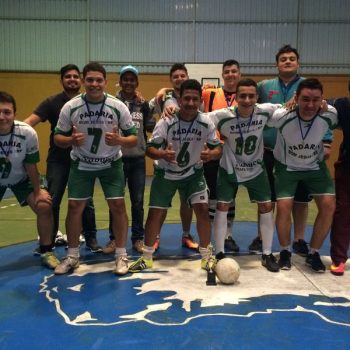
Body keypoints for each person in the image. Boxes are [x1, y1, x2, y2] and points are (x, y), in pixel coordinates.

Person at [128, 79, 222, 273]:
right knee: (155, 213)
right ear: (179, 99)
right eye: (186, 98)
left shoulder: (206, 122)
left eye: (195, 99)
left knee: (203, 210)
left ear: (199, 101)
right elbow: (150, 149)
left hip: (193, 173)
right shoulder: (166, 121)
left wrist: (210, 155)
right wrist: (162, 154)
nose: (190, 103)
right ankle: (146, 257)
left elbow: (217, 149)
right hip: (166, 173)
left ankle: (206, 257)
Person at [53, 62, 137, 275]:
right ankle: (72, 255)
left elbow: (134, 138)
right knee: (74, 207)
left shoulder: (117, 106)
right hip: (81, 163)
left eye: (98, 80)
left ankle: (120, 255)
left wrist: (119, 139)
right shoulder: (71, 107)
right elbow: (57, 138)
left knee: (118, 206)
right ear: (83, 81)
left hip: (111, 163)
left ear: (105, 82)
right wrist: (71, 139)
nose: (94, 84)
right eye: (89, 79)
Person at [249, 45, 332, 255]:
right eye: (283, 59)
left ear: (298, 62)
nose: (288, 61)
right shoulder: (264, 86)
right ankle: (262, 236)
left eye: (292, 58)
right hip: (268, 149)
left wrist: (327, 142)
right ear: (276, 63)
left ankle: (299, 238)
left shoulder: (308, 87)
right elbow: (247, 100)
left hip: (301, 154)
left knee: (301, 199)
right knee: (267, 199)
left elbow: (323, 117)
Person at [24, 64, 101, 253]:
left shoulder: (89, 101)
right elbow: (27, 123)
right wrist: (11, 134)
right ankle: (48, 241)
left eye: (76, 76)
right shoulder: (51, 102)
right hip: (58, 159)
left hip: (83, 159)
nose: (72, 79)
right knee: (53, 199)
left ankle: (91, 239)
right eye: (68, 77)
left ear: (81, 80)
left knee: (87, 201)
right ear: (61, 80)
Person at [210, 79, 280, 272]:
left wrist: (293, 103)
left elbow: (286, 109)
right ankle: (220, 253)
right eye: (243, 96)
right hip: (230, 167)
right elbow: (199, 119)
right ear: (236, 98)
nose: (247, 100)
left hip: (256, 168)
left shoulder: (265, 110)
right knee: (222, 205)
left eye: (251, 96)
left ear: (257, 97)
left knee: (266, 206)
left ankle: (266, 253)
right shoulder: (223, 115)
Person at [268, 78, 337, 272]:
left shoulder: (329, 114)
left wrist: (328, 146)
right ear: (296, 98)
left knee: (328, 205)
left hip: (314, 167)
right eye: (305, 99)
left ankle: (313, 253)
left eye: (316, 100)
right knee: (283, 207)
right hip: (287, 167)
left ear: (322, 100)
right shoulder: (282, 115)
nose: (310, 105)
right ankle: (284, 251)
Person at [0, 91, 59, 269]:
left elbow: (31, 164)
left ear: (15, 114)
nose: (2, 117)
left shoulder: (26, 133)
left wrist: (37, 190)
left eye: (6, 112)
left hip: (21, 179)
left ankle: (47, 251)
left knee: (44, 205)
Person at [103, 65, 154, 255]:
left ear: (137, 83)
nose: (129, 83)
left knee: (138, 202)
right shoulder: (111, 103)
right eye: (126, 79)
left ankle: (138, 238)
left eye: (132, 80)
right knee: (115, 202)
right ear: (120, 81)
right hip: (116, 159)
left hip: (138, 160)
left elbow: (150, 127)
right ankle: (114, 239)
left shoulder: (143, 104)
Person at [150, 63, 199, 251]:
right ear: (171, 80)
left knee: (187, 202)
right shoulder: (164, 97)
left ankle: (186, 235)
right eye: (175, 76)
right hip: (166, 160)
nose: (179, 78)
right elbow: (146, 108)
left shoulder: (195, 97)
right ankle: (155, 236)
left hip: (189, 161)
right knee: (161, 204)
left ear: (187, 77)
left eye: (182, 75)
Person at [201, 59, 241, 253]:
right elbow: (181, 91)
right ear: (222, 74)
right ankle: (210, 235)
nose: (231, 74)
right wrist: (162, 93)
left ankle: (228, 235)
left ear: (239, 74)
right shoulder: (209, 93)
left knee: (230, 196)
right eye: (227, 71)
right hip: (213, 151)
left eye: (234, 71)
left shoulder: (246, 96)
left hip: (235, 152)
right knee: (214, 195)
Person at [329, 81, 350, 276]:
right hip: (347, 168)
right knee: (343, 213)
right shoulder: (344, 106)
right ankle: (339, 258)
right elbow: (323, 105)